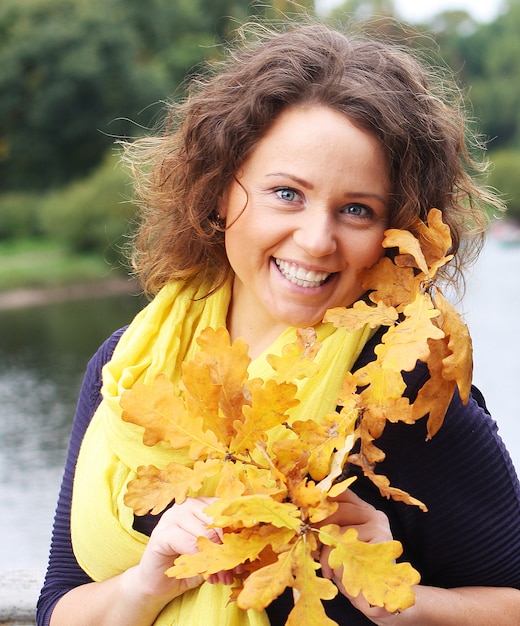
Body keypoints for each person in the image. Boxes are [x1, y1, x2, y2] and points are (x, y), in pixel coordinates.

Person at [37, 20, 520, 626]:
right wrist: (148, 583)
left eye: (356, 209)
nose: (317, 240)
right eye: (287, 193)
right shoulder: (127, 366)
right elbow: (58, 607)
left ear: (396, 229)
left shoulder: (401, 387)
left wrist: (403, 607)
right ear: (218, 190)